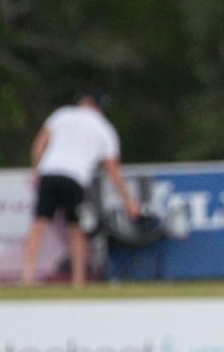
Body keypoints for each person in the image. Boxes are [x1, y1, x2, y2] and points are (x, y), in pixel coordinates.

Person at [22, 91, 139, 286]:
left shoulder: (61, 114)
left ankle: (27, 277)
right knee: (76, 229)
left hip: (49, 172)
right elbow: (113, 170)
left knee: (38, 225)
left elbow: (39, 145)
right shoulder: (104, 129)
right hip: (75, 178)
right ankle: (78, 280)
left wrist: (37, 169)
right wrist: (129, 201)